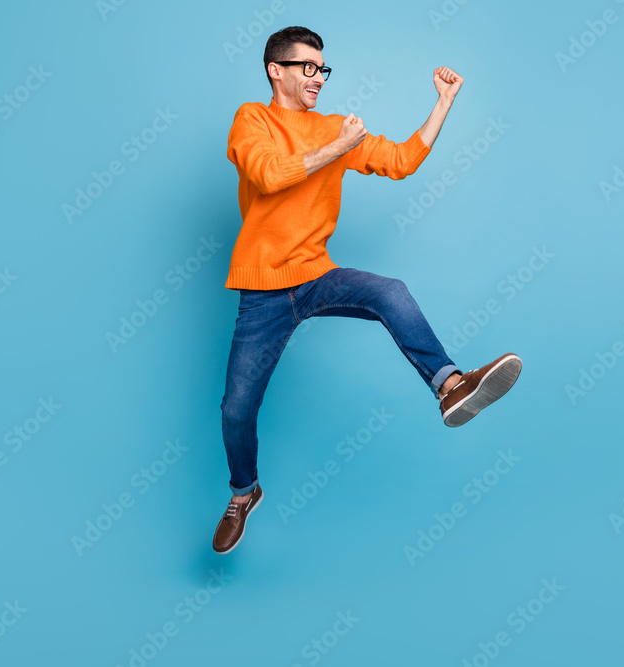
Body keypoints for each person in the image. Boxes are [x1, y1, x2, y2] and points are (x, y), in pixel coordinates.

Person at [213, 26, 522, 554]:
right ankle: (245, 491)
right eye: (308, 66)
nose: (318, 77)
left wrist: (442, 103)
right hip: (263, 289)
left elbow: (401, 162)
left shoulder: (337, 127)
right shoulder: (253, 118)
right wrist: (338, 147)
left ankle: (449, 385)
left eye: (322, 68)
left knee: (389, 291)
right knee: (235, 411)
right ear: (276, 70)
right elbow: (268, 175)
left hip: (314, 276)